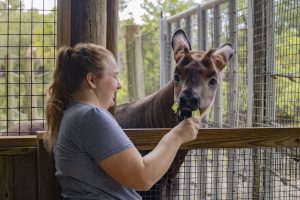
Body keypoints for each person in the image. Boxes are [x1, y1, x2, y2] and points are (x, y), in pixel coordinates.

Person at [44, 43, 200, 199]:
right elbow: (143, 177)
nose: (119, 85)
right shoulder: (90, 116)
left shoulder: (73, 113)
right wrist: (177, 135)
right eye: (114, 76)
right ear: (92, 80)